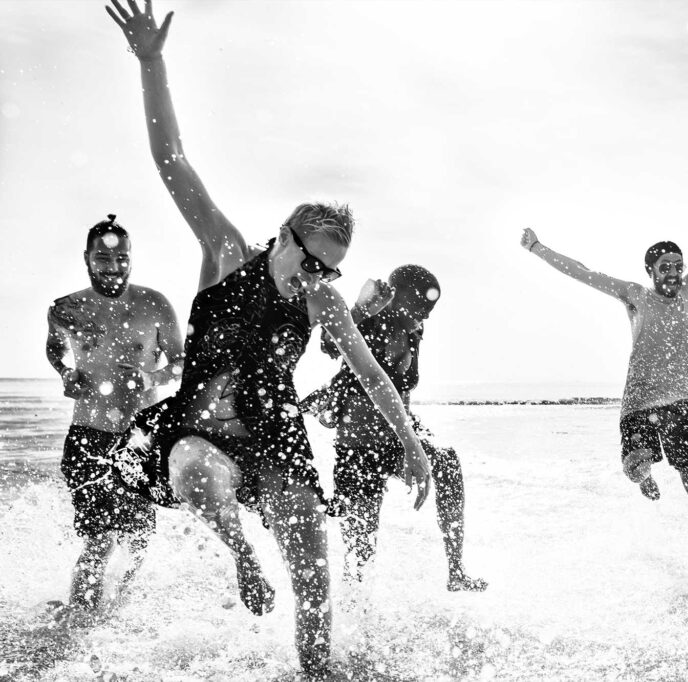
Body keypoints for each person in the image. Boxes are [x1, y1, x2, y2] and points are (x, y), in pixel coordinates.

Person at [105, 1, 431, 676]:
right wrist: (152, 63)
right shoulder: (227, 253)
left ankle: (317, 670)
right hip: (202, 425)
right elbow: (172, 162)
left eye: (329, 269)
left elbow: (372, 375)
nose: (315, 278)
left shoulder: (322, 299)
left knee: (314, 568)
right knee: (195, 474)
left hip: (276, 431)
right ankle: (244, 559)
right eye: (308, 261)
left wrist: (410, 443)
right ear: (282, 237)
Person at [520, 174, 688, 563]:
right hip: (639, 405)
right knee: (636, 467)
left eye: (678, 265)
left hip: (678, 406)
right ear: (650, 271)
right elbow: (582, 271)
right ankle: (644, 476)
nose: (673, 272)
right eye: (664, 266)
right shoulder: (636, 296)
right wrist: (538, 247)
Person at [302, 266, 487, 592]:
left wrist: (411, 445)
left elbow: (402, 392)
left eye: (429, 312)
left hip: (398, 440)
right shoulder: (368, 318)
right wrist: (359, 310)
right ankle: (351, 624)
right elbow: (329, 346)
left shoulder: (413, 329)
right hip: (358, 449)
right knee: (360, 555)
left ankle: (456, 572)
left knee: (447, 462)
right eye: (419, 309)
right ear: (398, 296)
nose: (424, 318)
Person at [46, 213, 184, 617]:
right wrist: (66, 371)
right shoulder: (66, 308)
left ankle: (115, 617)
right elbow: (55, 349)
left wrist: (149, 375)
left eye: (121, 258)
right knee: (99, 539)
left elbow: (179, 363)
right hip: (89, 435)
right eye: (104, 259)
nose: (113, 267)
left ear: (130, 257)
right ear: (87, 258)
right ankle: (81, 618)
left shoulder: (153, 303)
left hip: (139, 441)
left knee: (138, 540)